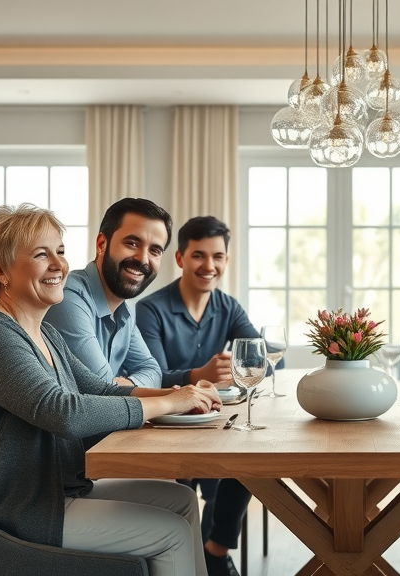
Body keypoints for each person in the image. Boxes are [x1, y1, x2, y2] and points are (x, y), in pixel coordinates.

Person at [0, 204, 222, 576]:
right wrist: (172, 399)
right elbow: (65, 412)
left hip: (57, 491)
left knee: (183, 500)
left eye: (59, 251)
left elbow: (99, 390)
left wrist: (186, 396)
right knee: (171, 532)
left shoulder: (45, 333)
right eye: (42, 254)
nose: (59, 265)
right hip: (21, 508)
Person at [136, 216, 259, 576]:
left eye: (218, 256)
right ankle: (195, 559)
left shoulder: (228, 306)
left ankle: (213, 552)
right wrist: (197, 376)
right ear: (180, 259)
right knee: (199, 488)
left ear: (226, 260)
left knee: (245, 467)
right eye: (198, 256)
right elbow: (151, 375)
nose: (209, 266)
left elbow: (263, 359)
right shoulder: (151, 309)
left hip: (212, 419)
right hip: (162, 426)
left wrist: (238, 368)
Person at [43, 197, 170, 389]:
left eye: (155, 250)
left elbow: (153, 372)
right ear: (102, 244)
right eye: (132, 244)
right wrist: (118, 387)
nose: (143, 259)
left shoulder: (125, 312)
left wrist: (124, 384)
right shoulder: (67, 296)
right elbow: (102, 388)